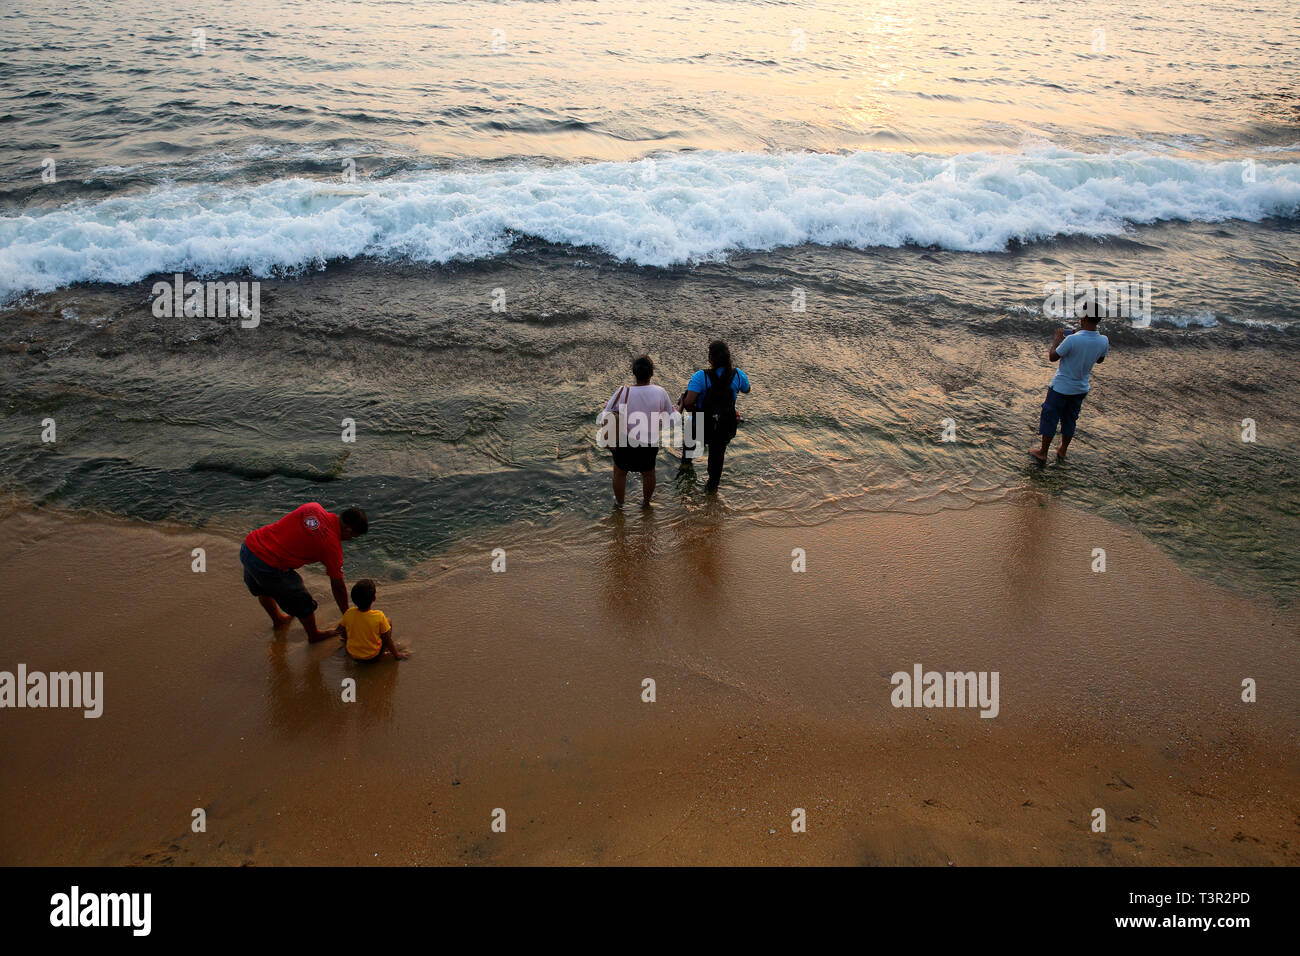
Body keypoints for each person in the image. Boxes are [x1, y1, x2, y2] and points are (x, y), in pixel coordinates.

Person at [241, 502, 368, 641]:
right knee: (302, 601)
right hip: (268, 564)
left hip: (250, 547)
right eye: (353, 537)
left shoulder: (313, 507)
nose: (350, 540)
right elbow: (338, 586)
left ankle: (278, 620)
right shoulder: (332, 547)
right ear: (348, 530)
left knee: (262, 588)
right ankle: (314, 635)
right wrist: (347, 616)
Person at [1031, 306, 1108, 461]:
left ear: (1084, 318)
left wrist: (1057, 341)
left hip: (1061, 387)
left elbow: (1053, 357)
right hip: (1081, 388)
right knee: (1070, 418)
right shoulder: (1103, 340)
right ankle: (1062, 450)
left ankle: (1043, 452)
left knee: (1050, 416)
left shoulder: (1073, 339)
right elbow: (1099, 360)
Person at [600, 355, 678, 508]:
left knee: (620, 472)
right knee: (649, 473)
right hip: (650, 442)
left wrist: (606, 407)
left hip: (625, 441)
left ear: (634, 373)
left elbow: (605, 415)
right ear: (652, 373)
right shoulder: (660, 392)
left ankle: (620, 505)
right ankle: (646, 503)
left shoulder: (623, 391)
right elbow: (672, 420)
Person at [680, 340, 750, 491]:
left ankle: (685, 481)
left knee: (688, 453)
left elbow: (689, 402)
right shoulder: (737, 374)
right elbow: (747, 389)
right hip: (725, 425)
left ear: (710, 358)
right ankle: (711, 494)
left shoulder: (701, 376)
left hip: (701, 424)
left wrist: (692, 411)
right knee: (716, 461)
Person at [338, 579, 407, 661]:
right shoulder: (378, 616)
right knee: (388, 621)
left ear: (353, 599)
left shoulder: (349, 613)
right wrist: (397, 655)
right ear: (374, 598)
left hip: (352, 654)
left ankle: (351, 643)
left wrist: (347, 639)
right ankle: (384, 651)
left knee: (350, 625)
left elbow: (340, 631)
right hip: (372, 656)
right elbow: (387, 639)